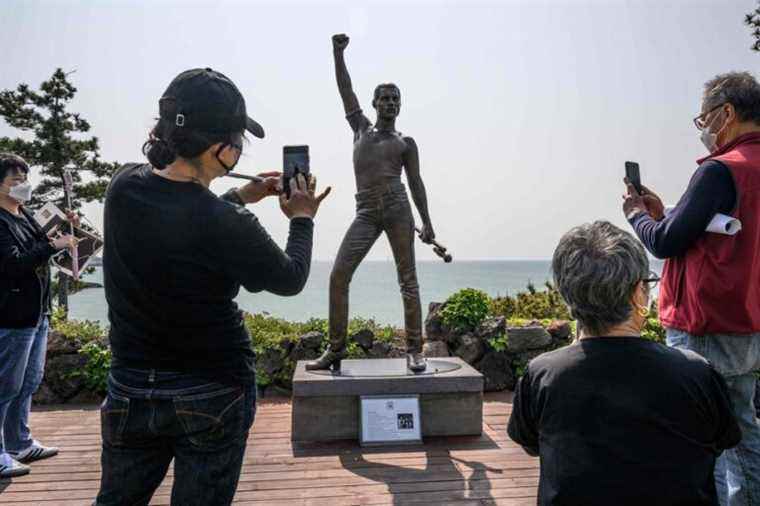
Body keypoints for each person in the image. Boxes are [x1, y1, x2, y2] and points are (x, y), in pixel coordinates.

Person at [95, 68, 330, 505]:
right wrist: (301, 217)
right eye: (238, 140)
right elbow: (289, 277)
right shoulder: (227, 224)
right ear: (222, 150)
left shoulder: (122, 186)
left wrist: (242, 195)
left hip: (130, 385)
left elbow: (180, 215)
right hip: (212, 388)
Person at [508, 220, 741, 506]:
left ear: (567, 295)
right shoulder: (697, 373)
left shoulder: (542, 374)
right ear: (636, 293)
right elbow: (724, 440)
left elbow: (530, 443)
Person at [624, 71, 760, 506]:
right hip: (749, 321)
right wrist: (667, 213)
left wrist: (636, 215)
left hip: (704, 322)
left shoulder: (722, 170)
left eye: (704, 120)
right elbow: (708, 230)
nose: (704, 131)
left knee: (700, 436)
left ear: (727, 113)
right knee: (742, 424)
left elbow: (665, 242)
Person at [306, 33, 436, 372]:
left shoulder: (406, 143)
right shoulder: (360, 129)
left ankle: (414, 350)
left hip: (397, 208)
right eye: (385, 98)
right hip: (365, 210)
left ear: (399, 105)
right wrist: (337, 54)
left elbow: (416, 183)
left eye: (396, 99)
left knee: (408, 281)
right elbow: (344, 89)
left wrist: (428, 221)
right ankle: (335, 349)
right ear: (375, 103)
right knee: (338, 276)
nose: (391, 103)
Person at [0, 153, 76, 478]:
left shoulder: (25, 214)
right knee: (5, 385)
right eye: (15, 181)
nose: (23, 186)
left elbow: (43, 241)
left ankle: (20, 442)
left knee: (29, 381)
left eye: (24, 179)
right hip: (12, 315)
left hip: (37, 312)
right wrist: (52, 245)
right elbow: (14, 264)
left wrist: (63, 227)